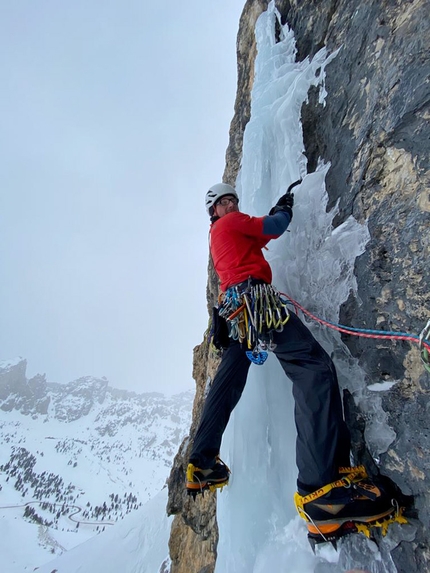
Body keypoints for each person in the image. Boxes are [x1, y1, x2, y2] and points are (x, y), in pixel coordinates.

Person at [185, 182, 395, 542]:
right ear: (214, 211)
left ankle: (202, 462)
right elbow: (273, 227)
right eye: (224, 202)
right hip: (256, 303)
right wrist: (285, 206)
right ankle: (321, 492)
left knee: (228, 383)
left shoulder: (222, 234)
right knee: (313, 369)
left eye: (233, 199)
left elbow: (258, 238)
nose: (231, 204)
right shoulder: (230, 224)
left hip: (237, 312)